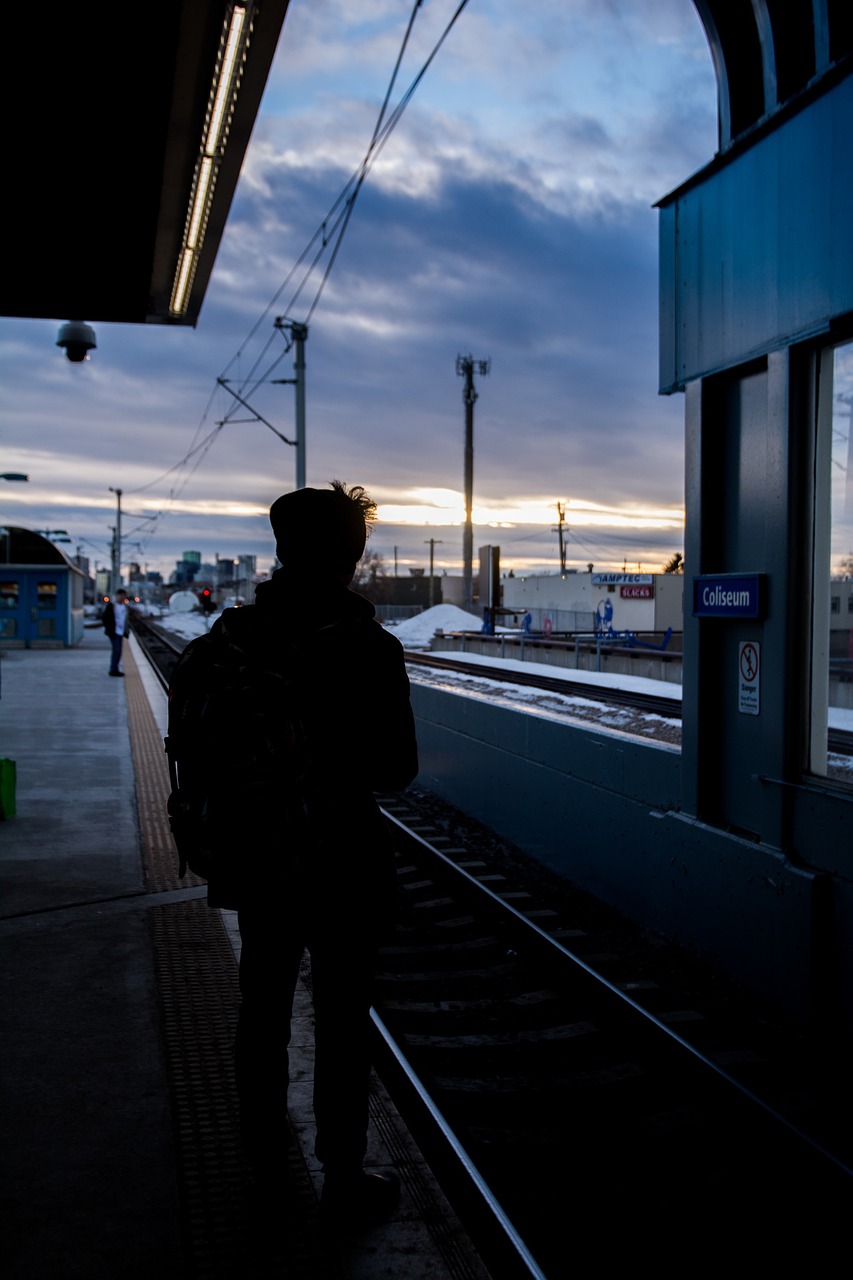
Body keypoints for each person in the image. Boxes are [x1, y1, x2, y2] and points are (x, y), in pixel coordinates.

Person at [204, 481, 418, 1228]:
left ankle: (265, 1164)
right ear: (353, 559)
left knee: (260, 1010)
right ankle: (342, 1171)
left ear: (280, 549)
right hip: (342, 862)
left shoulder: (229, 641)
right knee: (341, 1016)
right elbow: (395, 771)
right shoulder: (369, 647)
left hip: (260, 857)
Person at [102, 588, 130, 676]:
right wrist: (110, 628)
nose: (122, 597)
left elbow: (125, 620)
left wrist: (126, 631)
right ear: (116, 596)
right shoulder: (111, 606)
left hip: (121, 632)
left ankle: (115, 669)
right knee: (116, 650)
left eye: (123, 596)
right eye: (120, 595)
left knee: (118, 651)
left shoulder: (125, 607)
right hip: (114, 632)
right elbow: (104, 618)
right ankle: (113, 669)